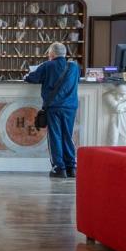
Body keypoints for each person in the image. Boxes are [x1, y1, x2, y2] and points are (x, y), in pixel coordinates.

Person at [25, 42, 79, 178]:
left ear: (52, 53)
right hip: (70, 107)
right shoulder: (74, 67)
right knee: (68, 135)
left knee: (55, 136)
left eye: (49, 52)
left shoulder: (47, 65)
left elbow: (32, 78)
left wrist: (26, 76)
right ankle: (71, 167)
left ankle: (59, 168)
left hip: (54, 106)